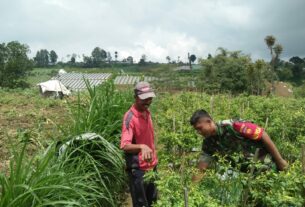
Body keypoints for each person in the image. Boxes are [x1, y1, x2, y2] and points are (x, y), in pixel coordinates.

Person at [190, 109, 288, 181]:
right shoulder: (208, 144)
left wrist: (280, 161)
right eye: (196, 130)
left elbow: (262, 134)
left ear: (209, 122)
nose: (199, 132)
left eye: (200, 128)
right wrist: (192, 191)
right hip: (251, 177)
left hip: (269, 168)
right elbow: (201, 168)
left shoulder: (233, 126)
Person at [120, 81, 158, 207]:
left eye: (149, 98)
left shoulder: (146, 112)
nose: (147, 101)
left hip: (152, 165)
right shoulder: (130, 117)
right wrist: (142, 146)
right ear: (135, 98)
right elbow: (125, 145)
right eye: (144, 99)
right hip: (138, 170)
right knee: (141, 204)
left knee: (153, 201)